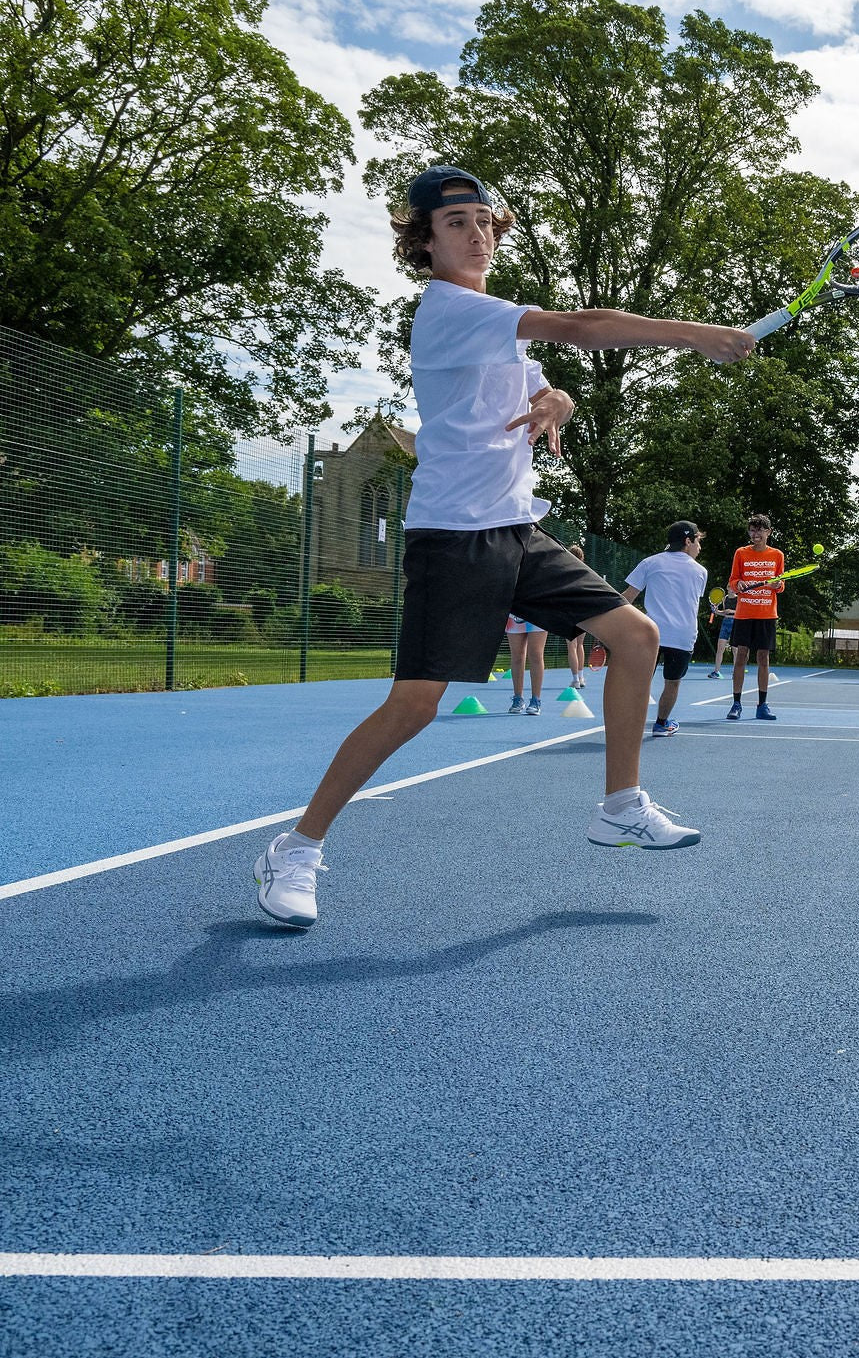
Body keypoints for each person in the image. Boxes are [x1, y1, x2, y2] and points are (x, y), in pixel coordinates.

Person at [252, 165, 754, 928]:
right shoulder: (449, 310)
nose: (477, 232)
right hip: (453, 537)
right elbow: (580, 327)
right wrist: (693, 336)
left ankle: (619, 803)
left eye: (485, 220)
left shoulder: (492, 320)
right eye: (457, 224)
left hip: (515, 529)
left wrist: (556, 398)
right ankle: (295, 848)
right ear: (424, 243)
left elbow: (547, 382)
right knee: (414, 707)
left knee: (636, 634)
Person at [621, 520, 709, 737]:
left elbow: (626, 599)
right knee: (673, 682)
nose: (700, 547)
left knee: (640, 683)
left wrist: (608, 626)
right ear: (688, 541)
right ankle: (661, 724)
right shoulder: (700, 572)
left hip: (651, 634)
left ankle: (629, 727)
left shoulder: (650, 562)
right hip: (683, 636)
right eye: (698, 541)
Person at [726, 514, 783, 721]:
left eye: (759, 530)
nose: (755, 534)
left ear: (768, 532)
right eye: (752, 530)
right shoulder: (741, 553)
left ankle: (762, 705)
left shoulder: (777, 555)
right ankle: (736, 704)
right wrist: (737, 585)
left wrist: (778, 585)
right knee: (741, 656)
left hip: (767, 614)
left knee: (763, 658)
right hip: (744, 613)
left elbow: (780, 583)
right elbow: (733, 580)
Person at [505, 613, 547, 714]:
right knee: (517, 656)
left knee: (536, 654)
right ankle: (518, 699)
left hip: (539, 611)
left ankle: (535, 700)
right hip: (515, 613)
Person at [564, 543, 588, 687]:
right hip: (584, 612)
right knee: (580, 645)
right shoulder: (586, 572)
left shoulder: (565, 571)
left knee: (572, 646)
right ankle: (581, 677)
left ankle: (575, 680)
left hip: (570, 611)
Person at [706, 591, 737, 679]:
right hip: (725, 624)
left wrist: (731, 611)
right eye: (728, 586)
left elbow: (743, 611)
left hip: (735, 623)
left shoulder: (739, 598)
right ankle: (716, 672)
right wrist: (716, 611)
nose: (730, 588)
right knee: (720, 648)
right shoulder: (725, 598)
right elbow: (723, 613)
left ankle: (736, 673)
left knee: (735, 650)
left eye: (731, 586)